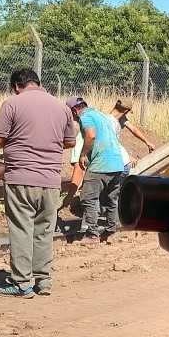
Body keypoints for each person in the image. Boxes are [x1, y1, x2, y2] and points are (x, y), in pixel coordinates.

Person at [0, 68, 77, 299]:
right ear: (37, 82)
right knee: (44, 230)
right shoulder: (62, 108)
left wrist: (16, 136)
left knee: (21, 229)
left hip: (21, 178)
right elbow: (70, 141)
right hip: (50, 180)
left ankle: (21, 284)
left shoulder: (12, 104)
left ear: (17, 86)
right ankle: (44, 281)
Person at [66, 96, 124, 244]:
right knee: (110, 198)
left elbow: (91, 135)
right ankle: (112, 231)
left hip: (102, 163)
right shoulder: (100, 115)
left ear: (74, 110)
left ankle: (92, 234)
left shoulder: (85, 117)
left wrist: (83, 154)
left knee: (88, 198)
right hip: (117, 162)